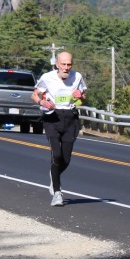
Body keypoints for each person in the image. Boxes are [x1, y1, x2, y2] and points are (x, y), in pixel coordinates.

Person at [31, 51, 87, 207]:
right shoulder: (47, 77)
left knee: (66, 159)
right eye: (63, 64)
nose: (66, 67)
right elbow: (34, 95)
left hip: (70, 118)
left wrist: (80, 96)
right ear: (57, 64)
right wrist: (41, 102)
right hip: (52, 117)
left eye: (69, 64)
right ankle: (57, 193)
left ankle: (54, 174)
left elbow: (83, 99)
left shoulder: (77, 77)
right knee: (56, 154)